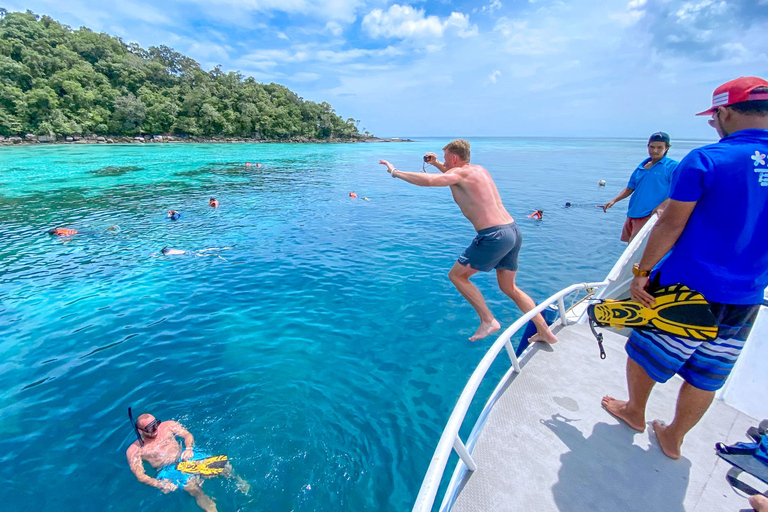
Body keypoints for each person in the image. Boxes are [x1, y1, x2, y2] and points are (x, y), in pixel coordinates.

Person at [601, 76, 768, 459]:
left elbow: (671, 223)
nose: (713, 125)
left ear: (724, 112)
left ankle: (635, 413)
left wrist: (642, 273)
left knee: (646, 351)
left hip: (687, 287)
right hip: (746, 295)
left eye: (713, 117)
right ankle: (674, 436)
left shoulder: (708, 159)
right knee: (709, 372)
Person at [379, 140, 557, 343]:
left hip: (493, 236)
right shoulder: (478, 170)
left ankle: (488, 320)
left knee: (457, 276)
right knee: (510, 288)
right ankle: (544, 331)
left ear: (454, 157)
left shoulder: (458, 174)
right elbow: (452, 174)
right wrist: (437, 162)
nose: (443, 161)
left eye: (445, 157)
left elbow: (430, 181)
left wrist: (395, 172)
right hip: (512, 231)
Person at [126, 412, 249, 512]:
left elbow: (187, 435)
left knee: (223, 465)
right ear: (140, 430)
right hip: (169, 469)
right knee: (195, 489)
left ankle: (240, 483)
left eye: (156, 424)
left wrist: (189, 447)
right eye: (150, 428)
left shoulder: (168, 425)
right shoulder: (134, 450)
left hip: (185, 456)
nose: (155, 429)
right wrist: (160, 484)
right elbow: (140, 475)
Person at [603, 132, 679, 242]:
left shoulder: (673, 167)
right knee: (630, 247)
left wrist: (662, 206)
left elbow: (678, 190)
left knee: (637, 251)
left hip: (649, 216)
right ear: (648, 146)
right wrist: (614, 200)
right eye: (652, 147)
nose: (655, 151)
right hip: (633, 213)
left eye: (659, 147)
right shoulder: (642, 166)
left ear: (666, 148)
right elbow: (630, 187)